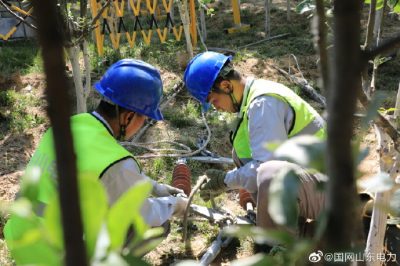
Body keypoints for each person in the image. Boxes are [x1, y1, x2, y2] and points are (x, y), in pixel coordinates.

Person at [4, 59, 188, 252]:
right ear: (128, 117)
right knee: (157, 226)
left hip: (22, 241)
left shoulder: (69, 125)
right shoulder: (115, 161)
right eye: (145, 118)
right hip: (57, 257)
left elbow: (110, 175)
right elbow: (144, 212)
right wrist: (175, 205)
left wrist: (156, 187)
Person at [183, 51, 327, 235]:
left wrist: (224, 181)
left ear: (226, 85)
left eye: (214, 100)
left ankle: (286, 246)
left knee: (270, 174)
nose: (216, 107)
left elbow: (265, 169)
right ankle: (288, 226)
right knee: (241, 152)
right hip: (313, 181)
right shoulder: (253, 95)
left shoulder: (263, 103)